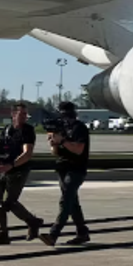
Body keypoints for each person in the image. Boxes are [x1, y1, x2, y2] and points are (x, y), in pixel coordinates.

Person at [0, 104, 43, 245]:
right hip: (2, 170)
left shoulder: (28, 131)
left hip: (18, 171)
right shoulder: (6, 130)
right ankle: (3, 234)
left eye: (25, 114)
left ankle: (32, 221)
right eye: (21, 114)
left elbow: (27, 153)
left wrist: (11, 165)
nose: (24, 117)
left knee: (9, 203)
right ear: (13, 115)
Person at [40, 101, 92, 246]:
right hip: (63, 168)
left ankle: (54, 234)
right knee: (72, 203)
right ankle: (82, 232)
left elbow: (79, 149)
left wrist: (62, 140)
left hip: (76, 169)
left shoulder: (79, 128)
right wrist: (54, 143)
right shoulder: (62, 128)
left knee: (65, 201)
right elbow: (55, 153)